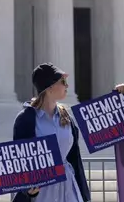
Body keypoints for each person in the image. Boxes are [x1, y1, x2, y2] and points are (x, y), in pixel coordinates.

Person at [12, 63, 90, 202]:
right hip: (42, 191)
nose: (67, 86)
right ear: (50, 87)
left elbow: (75, 159)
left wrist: (85, 196)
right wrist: (27, 190)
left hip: (68, 187)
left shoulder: (67, 117)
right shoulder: (26, 119)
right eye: (63, 82)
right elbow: (20, 160)